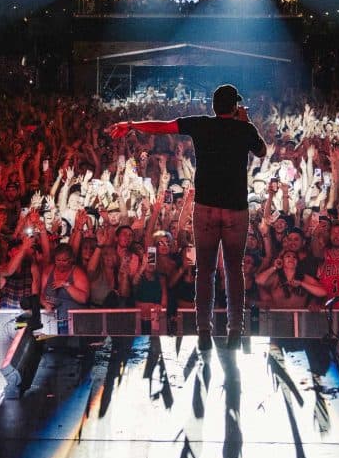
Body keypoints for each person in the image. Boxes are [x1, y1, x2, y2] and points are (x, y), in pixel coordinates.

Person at [111, 83, 265, 341]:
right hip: (235, 210)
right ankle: (234, 330)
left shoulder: (201, 124)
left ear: (214, 107)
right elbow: (262, 151)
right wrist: (246, 122)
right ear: (235, 107)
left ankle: (204, 329)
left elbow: (163, 126)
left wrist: (132, 124)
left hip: (206, 207)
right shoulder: (244, 129)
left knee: (204, 270)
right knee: (233, 270)